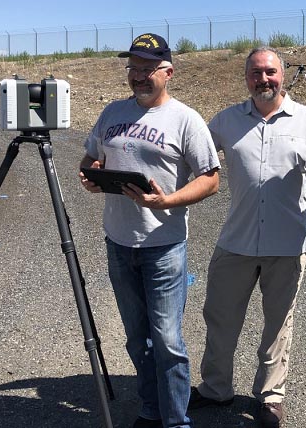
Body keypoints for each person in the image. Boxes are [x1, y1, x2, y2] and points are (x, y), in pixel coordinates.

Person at [78, 33, 220, 428]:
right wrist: (91, 175)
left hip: (164, 247)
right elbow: (90, 159)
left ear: (168, 72)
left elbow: (211, 180)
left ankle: (176, 420)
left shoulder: (186, 120)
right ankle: (151, 410)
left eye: (147, 69)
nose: (138, 76)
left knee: (168, 342)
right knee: (136, 338)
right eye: (133, 68)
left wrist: (167, 201)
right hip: (118, 243)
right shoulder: (112, 112)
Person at [187, 47, 306, 428]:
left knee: (279, 325)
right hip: (237, 241)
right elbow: (190, 156)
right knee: (219, 318)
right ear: (246, 77)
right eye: (255, 73)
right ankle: (216, 387)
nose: (263, 79)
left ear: (283, 74)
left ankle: (270, 396)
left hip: (288, 245)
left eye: (270, 72)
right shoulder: (225, 121)